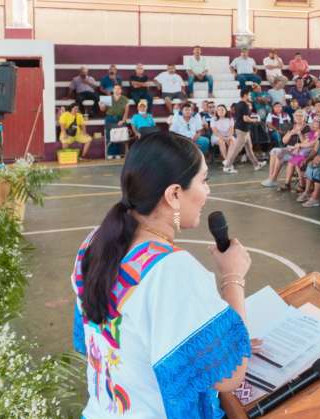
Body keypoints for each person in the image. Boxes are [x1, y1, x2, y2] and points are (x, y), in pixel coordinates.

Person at [71, 132, 252, 418]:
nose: (208, 192)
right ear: (174, 194)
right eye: (204, 181)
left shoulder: (94, 243)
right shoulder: (170, 269)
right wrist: (233, 277)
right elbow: (229, 373)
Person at [225, 88, 265, 172]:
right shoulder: (245, 105)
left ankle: (256, 164)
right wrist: (255, 120)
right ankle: (227, 166)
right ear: (245, 95)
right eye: (249, 95)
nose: (250, 96)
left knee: (249, 149)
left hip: (243, 129)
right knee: (237, 149)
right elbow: (245, 119)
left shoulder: (238, 104)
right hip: (242, 130)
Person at [103, 84, 130, 159]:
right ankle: (110, 153)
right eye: (115, 88)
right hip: (110, 118)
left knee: (120, 134)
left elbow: (126, 112)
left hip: (120, 118)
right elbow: (102, 110)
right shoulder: (107, 98)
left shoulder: (125, 99)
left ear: (121, 90)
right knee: (110, 135)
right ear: (113, 90)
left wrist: (123, 120)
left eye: (119, 89)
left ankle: (118, 153)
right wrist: (101, 105)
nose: (117, 90)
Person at [210, 104, 235, 172]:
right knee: (221, 141)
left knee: (232, 140)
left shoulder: (230, 118)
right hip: (216, 136)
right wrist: (224, 138)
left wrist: (229, 137)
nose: (220, 111)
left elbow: (231, 130)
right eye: (218, 110)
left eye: (222, 109)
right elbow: (215, 132)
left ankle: (227, 162)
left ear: (225, 111)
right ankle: (228, 162)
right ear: (216, 111)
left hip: (228, 135)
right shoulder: (213, 119)